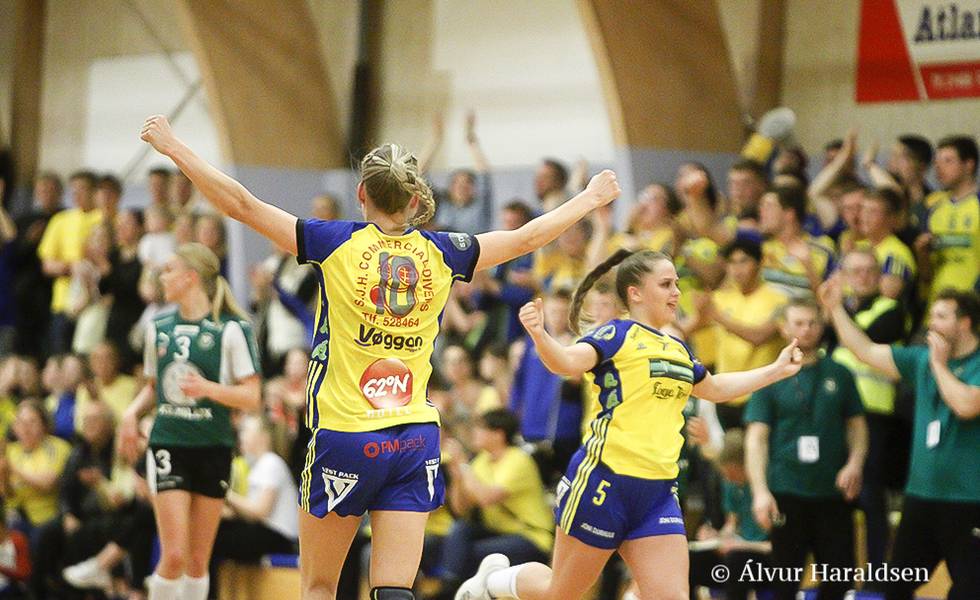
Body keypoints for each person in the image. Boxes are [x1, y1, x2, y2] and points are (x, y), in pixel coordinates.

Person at [139, 113, 621, 600]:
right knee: (394, 590)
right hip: (414, 438)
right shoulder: (444, 251)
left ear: (361, 194)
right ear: (414, 200)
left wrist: (174, 147)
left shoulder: (334, 242)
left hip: (346, 434)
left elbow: (241, 204)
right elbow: (526, 238)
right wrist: (589, 198)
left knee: (320, 586)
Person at [456, 249, 804, 600]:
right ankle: (492, 583)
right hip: (605, 481)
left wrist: (775, 371)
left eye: (676, 284)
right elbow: (567, 362)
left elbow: (715, 388)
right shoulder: (616, 334)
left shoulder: (678, 349)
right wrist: (540, 335)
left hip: (657, 493)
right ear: (635, 293)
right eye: (666, 284)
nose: (676, 293)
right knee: (559, 593)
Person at [117, 242, 261, 600]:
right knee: (175, 555)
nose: (162, 277)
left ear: (190, 277)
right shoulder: (159, 327)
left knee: (198, 561)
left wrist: (208, 389)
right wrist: (131, 413)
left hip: (214, 445)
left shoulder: (231, 329)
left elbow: (251, 396)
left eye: (169, 270)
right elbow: (154, 387)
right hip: (170, 443)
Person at [820, 282, 980, 600]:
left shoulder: (961, 363)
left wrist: (938, 364)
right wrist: (835, 307)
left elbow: (966, 405)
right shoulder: (920, 359)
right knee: (896, 586)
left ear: (964, 323)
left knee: (967, 591)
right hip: (921, 498)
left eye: (941, 316)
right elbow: (864, 351)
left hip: (969, 500)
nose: (931, 324)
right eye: (931, 316)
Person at [744, 298, 868, 600]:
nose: (807, 329)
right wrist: (760, 491)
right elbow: (756, 438)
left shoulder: (840, 373)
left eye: (813, 323)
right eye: (798, 323)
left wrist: (855, 463)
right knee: (785, 581)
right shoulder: (769, 377)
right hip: (786, 490)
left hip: (832, 491)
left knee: (839, 579)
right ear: (784, 328)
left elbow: (857, 426)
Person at [829, 249, 907, 572]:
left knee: (871, 495)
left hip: (874, 414)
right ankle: (840, 573)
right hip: (836, 414)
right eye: (855, 271)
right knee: (837, 496)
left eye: (869, 270)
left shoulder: (891, 309)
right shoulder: (839, 310)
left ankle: (877, 572)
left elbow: (863, 343)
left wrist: (834, 310)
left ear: (879, 275)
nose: (862, 276)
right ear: (844, 276)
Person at [436, 410, 553, 598]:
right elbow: (460, 510)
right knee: (460, 530)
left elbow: (486, 498)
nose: (475, 433)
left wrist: (463, 464)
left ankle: (451, 593)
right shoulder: (481, 461)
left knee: (473, 553)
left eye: (480, 429)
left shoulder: (518, 459)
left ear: (498, 434)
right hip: (499, 532)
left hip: (531, 536)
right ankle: (448, 586)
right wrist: (456, 474)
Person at [689, 430, 771, 600]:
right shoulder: (731, 485)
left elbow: (777, 547)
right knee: (690, 559)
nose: (728, 478)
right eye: (725, 473)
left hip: (766, 559)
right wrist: (716, 537)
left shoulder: (770, 487)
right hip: (738, 553)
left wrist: (740, 546)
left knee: (736, 560)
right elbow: (731, 524)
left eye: (732, 472)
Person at [37, 171, 102, 355]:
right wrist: (71, 267)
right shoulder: (61, 220)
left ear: (94, 191)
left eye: (82, 189)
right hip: (64, 303)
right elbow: (47, 264)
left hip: (95, 301)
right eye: (73, 190)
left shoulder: (104, 218)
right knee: (59, 354)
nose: (77, 194)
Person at [916, 136, 979, 302]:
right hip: (938, 300)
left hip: (972, 300)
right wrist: (922, 253)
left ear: (969, 165)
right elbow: (926, 273)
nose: (939, 168)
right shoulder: (932, 206)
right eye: (937, 163)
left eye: (948, 161)